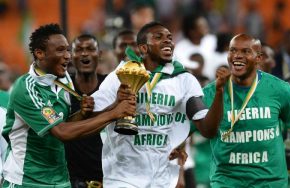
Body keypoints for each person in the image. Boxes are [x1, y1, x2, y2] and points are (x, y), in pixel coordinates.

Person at [92, 21, 229, 188]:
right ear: (143, 48)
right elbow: (91, 118)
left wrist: (219, 92)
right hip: (122, 177)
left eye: (169, 38)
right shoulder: (120, 76)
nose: (167, 41)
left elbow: (208, 129)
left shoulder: (184, 80)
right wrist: (115, 106)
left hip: (162, 180)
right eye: (159, 37)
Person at [1, 23, 136, 188]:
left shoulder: (63, 80)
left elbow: (66, 124)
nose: (67, 56)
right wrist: (113, 114)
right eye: (60, 50)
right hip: (27, 181)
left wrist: (113, 107)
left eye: (67, 50)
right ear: (40, 53)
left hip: (60, 180)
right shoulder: (27, 89)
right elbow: (61, 132)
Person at [202, 33, 290, 187]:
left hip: (270, 183)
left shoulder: (280, 90)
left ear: (258, 57)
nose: (237, 55)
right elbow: (191, 128)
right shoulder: (210, 92)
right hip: (227, 183)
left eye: (245, 51)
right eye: (233, 50)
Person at [64, 34, 107, 188]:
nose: (84, 53)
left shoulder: (111, 86)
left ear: (100, 55)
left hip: (108, 179)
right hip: (70, 180)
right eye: (79, 50)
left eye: (90, 49)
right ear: (70, 56)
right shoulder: (61, 89)